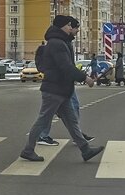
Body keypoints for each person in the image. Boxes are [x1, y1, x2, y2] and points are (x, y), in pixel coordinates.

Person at [20, 15, 104, 163]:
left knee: (71, 121)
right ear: (64, 27)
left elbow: (67, 67)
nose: (74, 29)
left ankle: (85, 150)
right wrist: (85, 78)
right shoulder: (57, 43)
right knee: (43, 120)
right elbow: (66, 67)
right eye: (71, 26)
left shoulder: (62, 42)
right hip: (54, 90)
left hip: (62, 90)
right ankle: (28, 150)